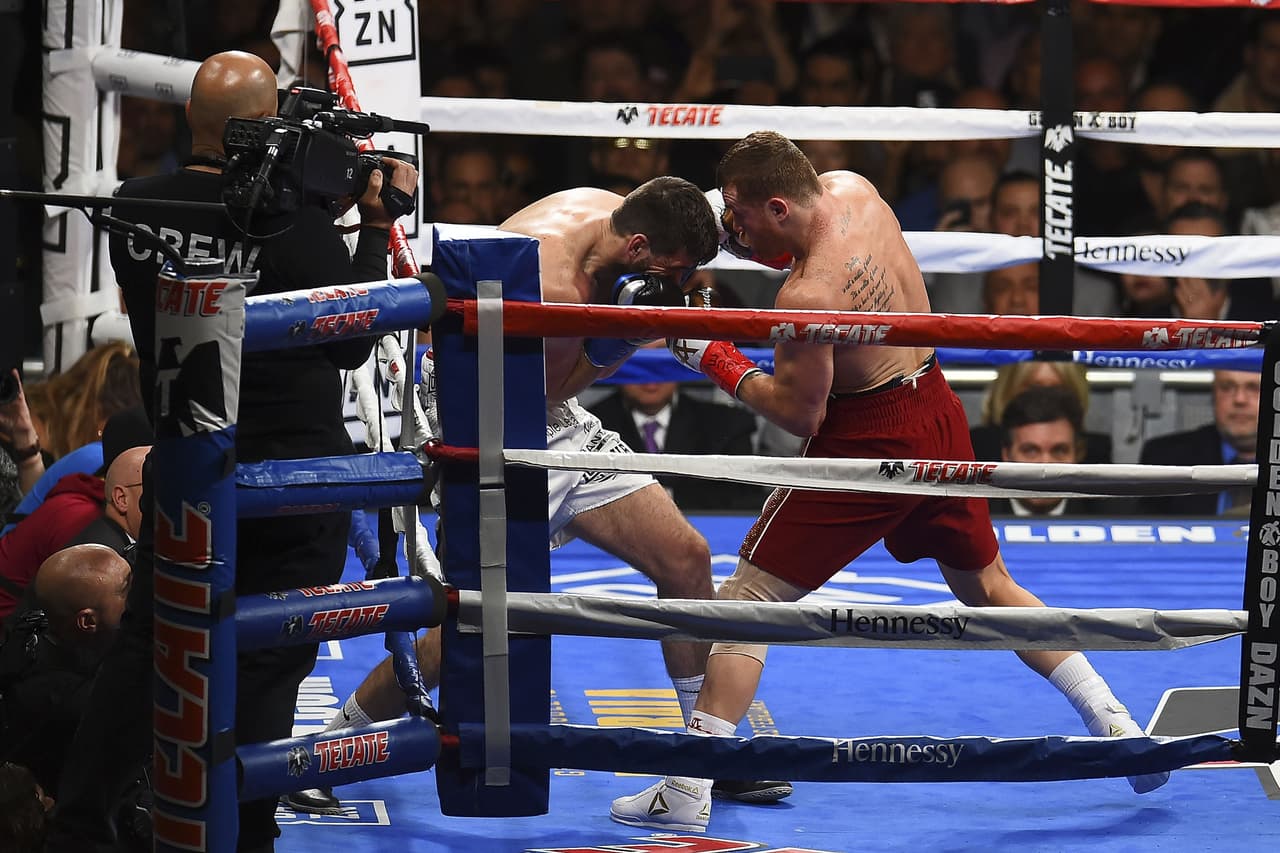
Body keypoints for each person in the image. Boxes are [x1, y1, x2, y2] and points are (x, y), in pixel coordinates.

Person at [610, 131, 1168, 833]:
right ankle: (1116, 723)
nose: (735, 233)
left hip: (867, 435)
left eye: (742, 218)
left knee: (751, 598)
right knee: (989, 585)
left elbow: (798, 412)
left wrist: (712, 355)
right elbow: (798, 257)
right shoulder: (856, 190)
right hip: (934, 405)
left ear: (778, 204)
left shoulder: (807, 295)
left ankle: (690, 787)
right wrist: (745, 253)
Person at [286, 176, 792, 816]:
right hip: (492, 416)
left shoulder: (614, 213)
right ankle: (325, 750)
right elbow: (551, 387)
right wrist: (627, 337)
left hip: (544, 404)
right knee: (471, 622)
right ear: (639, 248)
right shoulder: (555, 286)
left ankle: (704, 761)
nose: (676, 283)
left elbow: (692, 220)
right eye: (672, 273)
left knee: (686, 558)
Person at [43, 50, 419, 853]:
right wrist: (376, 224)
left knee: (149, 644)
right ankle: (246, 834)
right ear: (265, 125)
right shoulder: (293, 223)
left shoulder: (136, 206)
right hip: (291, 484)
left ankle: (79, 825)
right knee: (269, 660)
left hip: (187, 472)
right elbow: (352, 349)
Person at [0, 546, 132, 799]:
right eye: (125, 589)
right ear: (88, 621)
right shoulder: (75, 702)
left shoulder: (39, 629)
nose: (138, 596)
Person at [587, 379, 765, 512]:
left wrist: (668, 498)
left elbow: (745, 499)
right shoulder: (587, 427)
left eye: (660, 358)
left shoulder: (727, 423)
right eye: (640, 358)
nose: (650, 376)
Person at [1138, 369, 1259, 516]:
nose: (1240, 399)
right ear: (1213, 395)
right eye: (1227, 387)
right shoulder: (1166, 457)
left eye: (1254, 388)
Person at [989, 386, 1116, 517]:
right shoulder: (976, 516)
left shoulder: (1115, 515)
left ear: (1078, 454)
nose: (1046, 464)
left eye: (1059, 451)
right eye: (1031, 451)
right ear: (1007, 455)